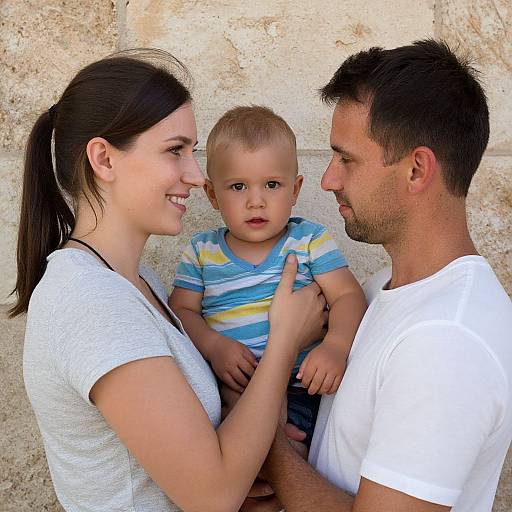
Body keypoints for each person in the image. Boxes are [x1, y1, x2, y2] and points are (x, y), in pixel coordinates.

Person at [10, 50, 327, 512]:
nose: (196, 177)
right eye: (175, 151)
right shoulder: (89, 301)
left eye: (192, 153)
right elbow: (212, 495)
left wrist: (253, 463)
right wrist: (285, 339)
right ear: (103, 159)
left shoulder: (143, 285)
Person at [246, 39, 512, 512]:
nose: (328, 179)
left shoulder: (447, 338)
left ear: (416, 170)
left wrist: (267, 445)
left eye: (347, 159)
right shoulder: (376, 293)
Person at [169, 105, 367, 445]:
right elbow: (180, 312)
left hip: (301, 385)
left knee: (295, 453)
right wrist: (214, 346)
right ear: (213, 194)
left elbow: (347, 296)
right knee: (219, 446)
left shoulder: (308, 240)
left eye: (272, 184)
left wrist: (335, 345)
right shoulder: (202, 251)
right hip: (231, 388)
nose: (256, 201)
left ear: (295, 189)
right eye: (238, 187)